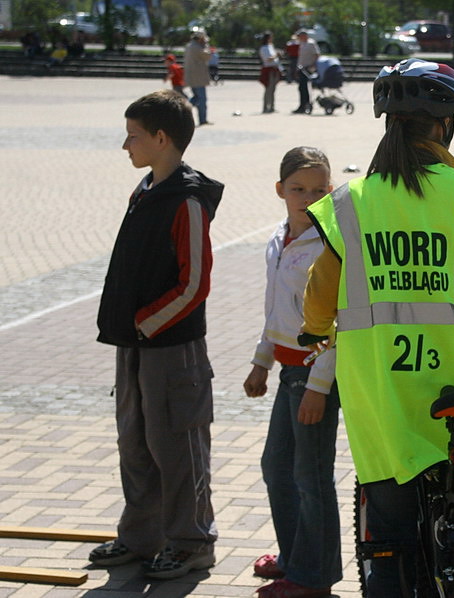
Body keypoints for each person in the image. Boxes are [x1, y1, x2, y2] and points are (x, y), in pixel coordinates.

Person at [301, 58, 454, 597]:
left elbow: (321, 297)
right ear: (445, 125)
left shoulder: (351, 203)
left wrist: (315, 329)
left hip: (386, 394)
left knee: (388, 538)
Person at [90, 89, 223, 580]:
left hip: (170, 347)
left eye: (133, 137)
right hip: (134, 344)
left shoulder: (187, 199)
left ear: (162, 139)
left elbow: (194, 284)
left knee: (178, 445)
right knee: (136, 441)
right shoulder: (145, 189)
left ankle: (192, 543)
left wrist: (146, 322)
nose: (126, 146)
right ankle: (142, 538)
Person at [243, 147, 341, 598]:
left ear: (331, 190)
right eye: (298, 189)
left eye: (319, 190)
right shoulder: (278, 239)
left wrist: (320, 387)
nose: (307, 197)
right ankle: (293, 558)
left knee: (310, 475)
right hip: (287, 373)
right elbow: (274, 310)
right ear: (280, 190)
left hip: (315, 376)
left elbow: (341, 323)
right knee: (276, 467)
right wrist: (262, 361)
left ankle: (313, 577)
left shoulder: (331, 245)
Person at [184, 29, 212, 125]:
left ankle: (183, 109)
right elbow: (208, 55)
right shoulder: (197, 47)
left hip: (192, 77)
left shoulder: (189, 46)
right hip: (198, 78)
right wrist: (206, 45)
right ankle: (202, 119)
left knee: (196, 98)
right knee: (202, 99)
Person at [292, 30, 319, 114]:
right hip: (301, 68)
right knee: (301, 88)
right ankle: (302, 105)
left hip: (308, 68)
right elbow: (300, 58)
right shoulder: (301, 44)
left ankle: (305, 105)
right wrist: (297, 69)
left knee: (304, 87)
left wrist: (313, 65)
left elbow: (317, 55)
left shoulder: (311, 43)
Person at [258, 32, 281, 114]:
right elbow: (268, 59)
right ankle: (265, 107)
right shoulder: (263, 48)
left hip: (274, 69)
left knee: (273, 90)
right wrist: (276, 55)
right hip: (268, 69)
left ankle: (272, 106)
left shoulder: (271, 46)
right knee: (268, 89)